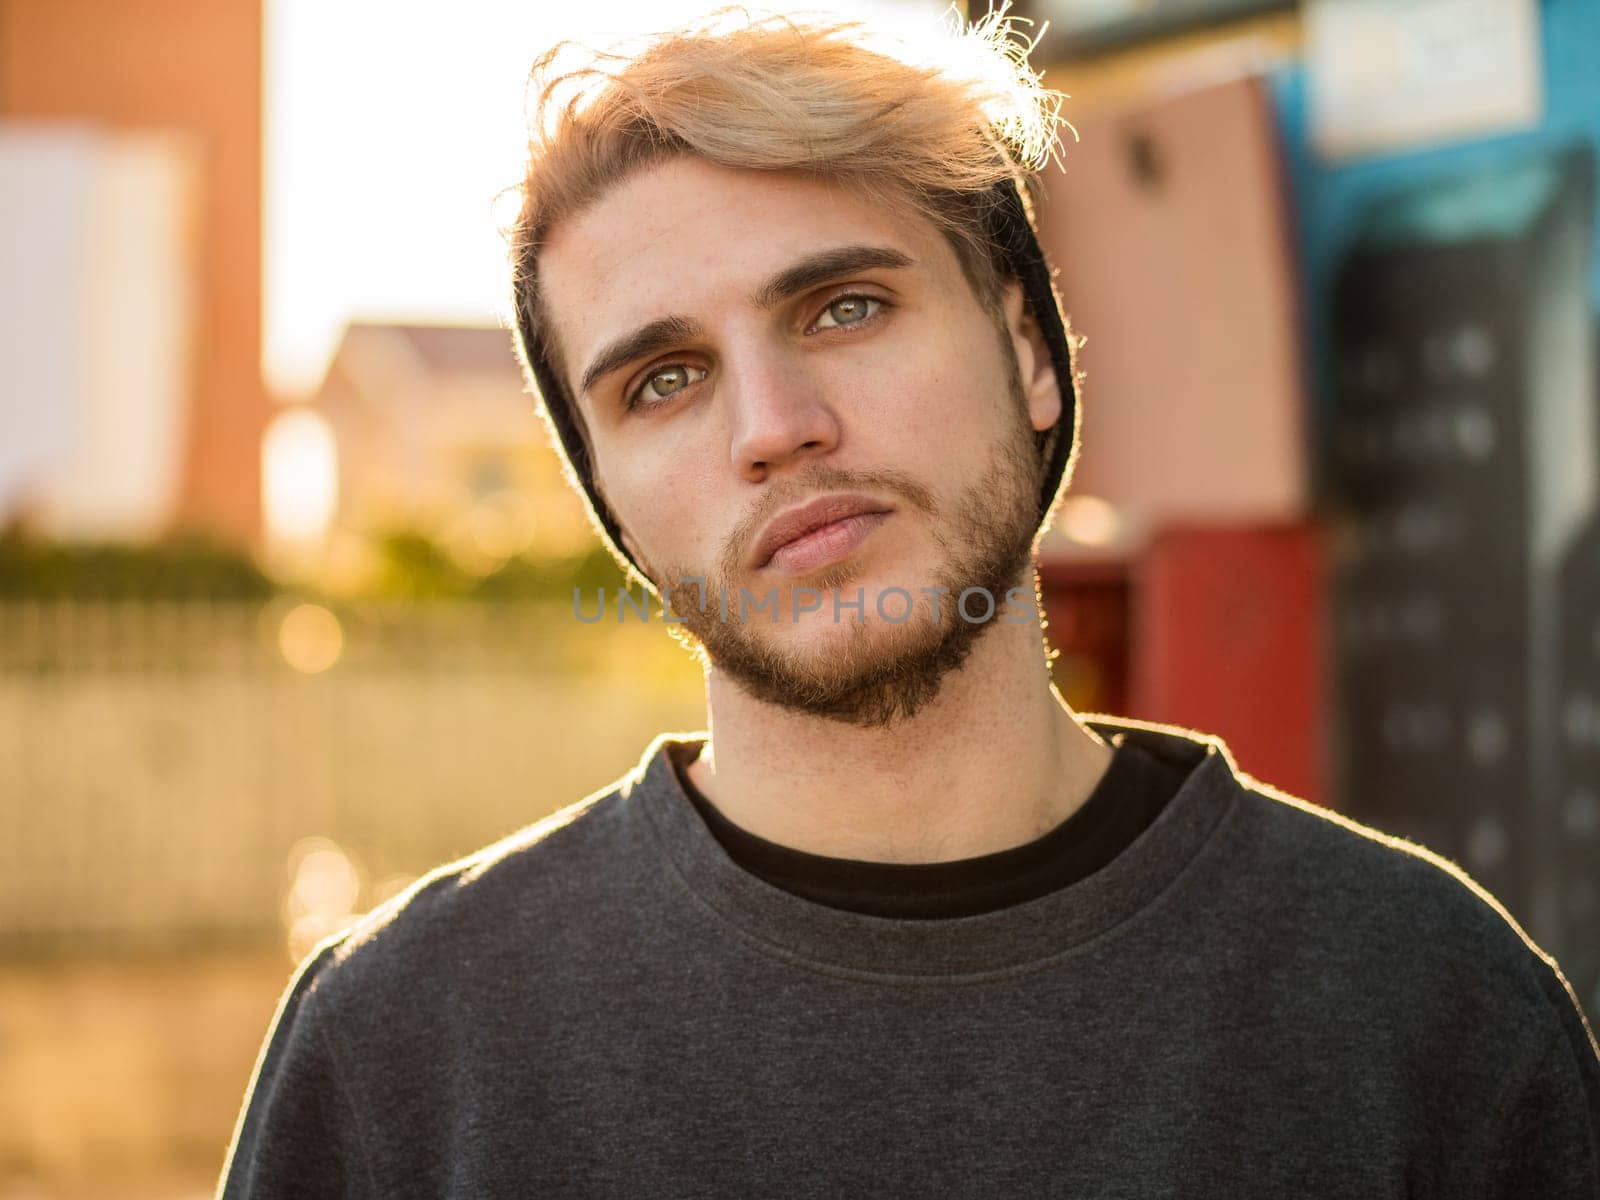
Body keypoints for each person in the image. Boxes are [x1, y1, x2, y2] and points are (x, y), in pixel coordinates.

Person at [217, 8, 1600, 1197]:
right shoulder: (401, 1050)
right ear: (611, 504)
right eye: (663, 380)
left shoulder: (1428, 1010)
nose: (774, 426)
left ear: (1030, 357)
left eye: (843, 308)